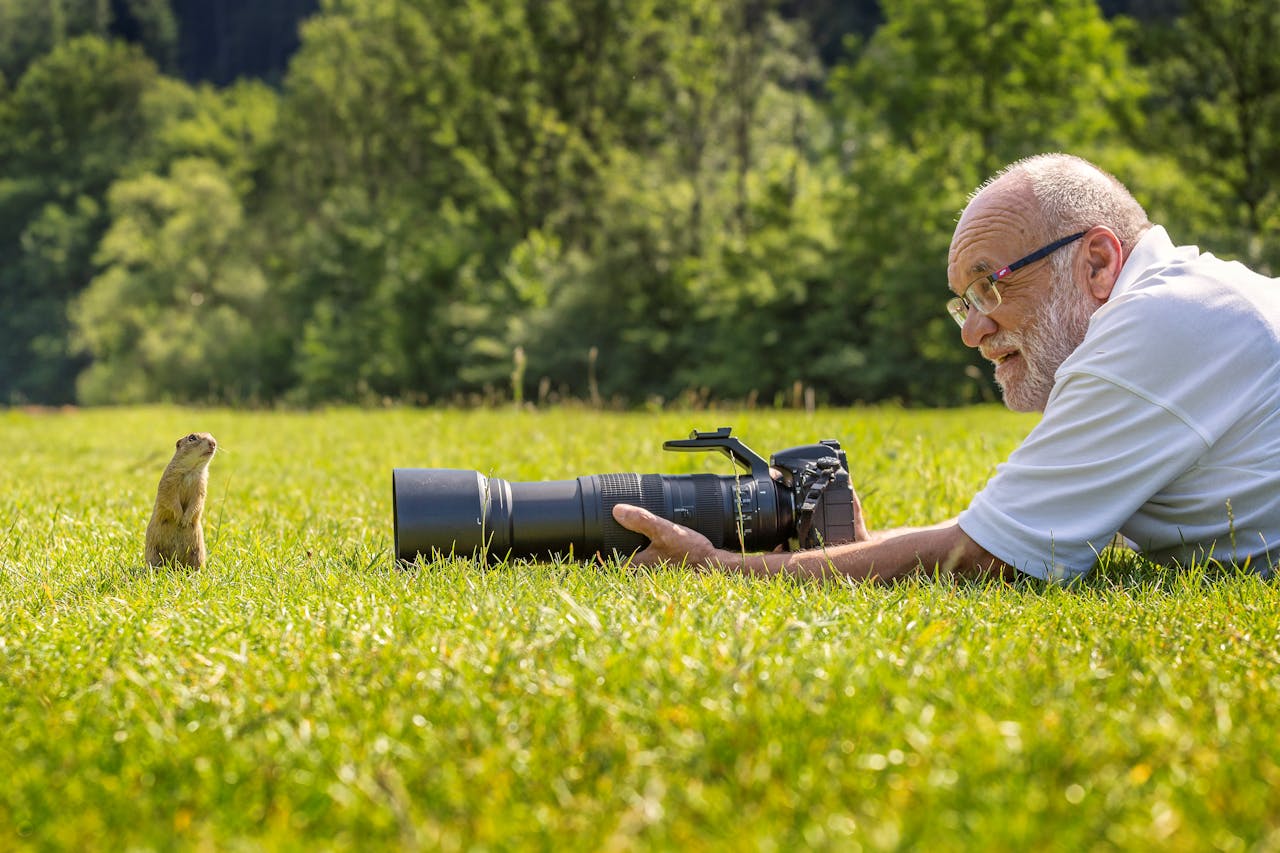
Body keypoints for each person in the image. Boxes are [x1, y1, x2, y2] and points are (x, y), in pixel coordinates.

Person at [612, 153, 1280, 582]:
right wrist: (844, 555)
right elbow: (1002, 526)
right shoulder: (1187, 299)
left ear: (1098, 263)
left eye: (993, 285)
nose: (972, 330)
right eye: (963, 301)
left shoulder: (1160, 323)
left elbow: (992, 553)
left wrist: (720, 567)